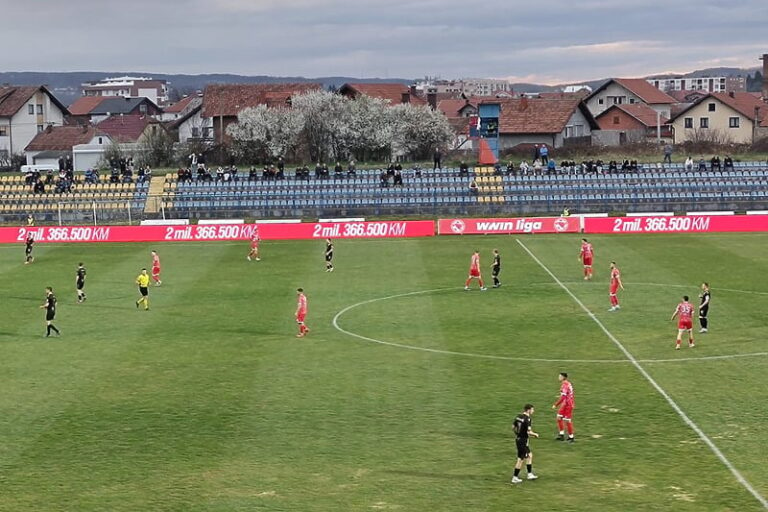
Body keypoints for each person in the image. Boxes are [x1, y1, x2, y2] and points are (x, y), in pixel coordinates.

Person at [511, 404, 539, 484]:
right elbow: (528, 432)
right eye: (532, 409)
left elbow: (513, 427)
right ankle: (515, 477)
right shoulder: (528, 419)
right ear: (528, 410)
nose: (533, 411)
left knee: (529, 455)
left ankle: (529, 474)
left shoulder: (518, 416)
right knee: (520, 460)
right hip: (523, 441)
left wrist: (518, 434)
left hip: (519, 439)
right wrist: (535, 434)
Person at [552, 372, 575, 442]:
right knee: (559, 417)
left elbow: (563, 397)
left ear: (563, 377)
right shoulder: (567, 383)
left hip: (568, 404)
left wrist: (556, 404)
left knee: (567, 421)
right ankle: (561, 435)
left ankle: (571, 437)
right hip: (565, 403)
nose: (558, 377)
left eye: (560, 376)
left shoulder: (565, 385)